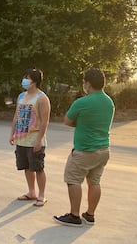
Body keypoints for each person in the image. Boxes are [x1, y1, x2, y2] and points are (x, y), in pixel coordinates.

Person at [54, 68, 115, 227]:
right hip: (103, 149)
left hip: (85, 150)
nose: (83, 85)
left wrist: (80, 123)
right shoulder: (109, 101)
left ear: (88, 83)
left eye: (83, 82)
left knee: (73, 179)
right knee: (94, 181)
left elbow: (67, 121)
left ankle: (74, 216)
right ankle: (90, 215)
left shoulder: (82, 102)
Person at [9, 69, 51, 207]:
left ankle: (41, 195)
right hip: (22, 138)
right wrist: (12, 133)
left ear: (35, 81)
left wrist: (39, 140)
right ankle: (31, 192)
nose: (24, 80)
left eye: (27, 78)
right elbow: (17, 115)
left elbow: (45, 121)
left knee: (38, 167)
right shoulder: (21, 96)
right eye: (24, 77)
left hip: (35, 139)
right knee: (26, 167)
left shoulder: (42, 98)